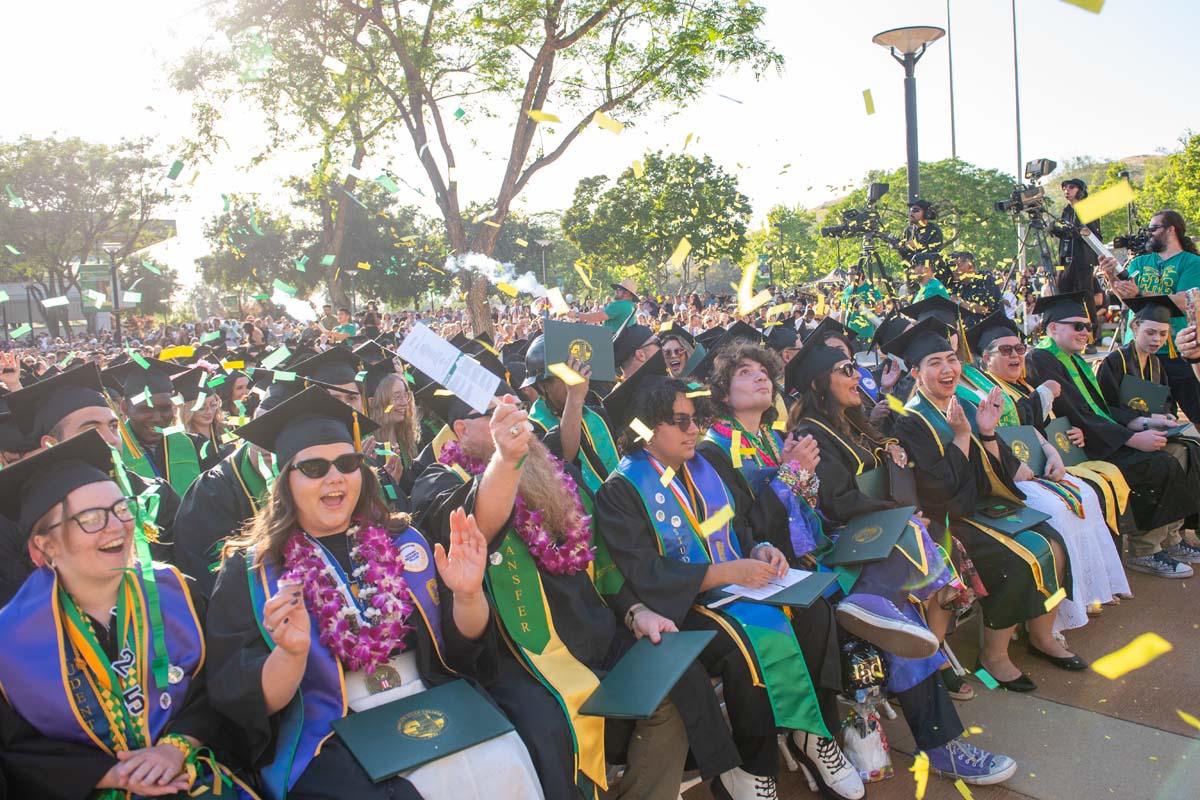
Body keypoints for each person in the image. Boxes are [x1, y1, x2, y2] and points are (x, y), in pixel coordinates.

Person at [205, 387, 542, 799]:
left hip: (428, 693)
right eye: (313, 467)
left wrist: (469, 596)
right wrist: (289, 656)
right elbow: (243, 699)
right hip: (329, 722)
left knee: (503, 760)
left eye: (347, 463)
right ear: (284, 481)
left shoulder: (404, 541)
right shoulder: (253, 571)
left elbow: (461, 651)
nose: (334, 477)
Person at [412, 386, 733, 800]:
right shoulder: (440, 480)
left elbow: (599, 558)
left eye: (517, 407)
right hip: (521, 658)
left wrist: (636, 611)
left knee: (676, 680)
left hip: (594, 629)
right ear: (461, 429)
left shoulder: (550, 469)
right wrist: (505, 461)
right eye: (494, 412)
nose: (514, 416)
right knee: (551, 730)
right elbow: (478, 523)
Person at [596, 372, 863, 800]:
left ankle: (812, 732)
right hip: (681, 605)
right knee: (749, 643)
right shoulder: (622, 489)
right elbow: (643, 572)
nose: (692, 429)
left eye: (693, 418)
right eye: (678, 421)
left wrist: (758, 550)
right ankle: (750, 765)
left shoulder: (702, 466)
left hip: (736, 583)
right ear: (646, 429)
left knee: (812, 612)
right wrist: (727, 574)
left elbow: (737, 527)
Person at [784, 341, 1019, 785]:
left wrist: (896, 478)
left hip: (877, 543)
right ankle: (943, 744)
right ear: (819, 384)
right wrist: (895, 513)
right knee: (910, 582)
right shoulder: (812, 435)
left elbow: (881, 473)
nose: (857, 375)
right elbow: (836, 503)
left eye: (855, 366)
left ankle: (909, 633)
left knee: (904, 612)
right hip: (839, 551)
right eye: (845, 369)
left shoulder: (848, 422)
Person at [0, 431, 254, 799]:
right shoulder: (12, 638)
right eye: (90, 517)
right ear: (44, 545)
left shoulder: (176, 592)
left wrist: (175, 746)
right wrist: (111, 774)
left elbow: (219, 685)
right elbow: (17, 750)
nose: (117, 525)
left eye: (122, 508)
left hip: (191, 775)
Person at [885, 319, 1075, 692]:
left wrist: (985, 432)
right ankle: (993, 657)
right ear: (916, 373)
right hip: (947, 518)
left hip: (980, 506)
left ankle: (1041, 636)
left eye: (951, 359)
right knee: (1014, 560)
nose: (947, 369)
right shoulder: (908, 420)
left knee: (1053, 540)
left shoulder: (965, 405)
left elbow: (999, 470)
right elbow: (937, 490)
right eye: (935, 362)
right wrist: (961, 437)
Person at [960, 312, 1131, 637]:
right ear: (986, 358)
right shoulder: (979, 391)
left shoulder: (1017, 386)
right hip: (1008, 478)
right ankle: (1056, 615)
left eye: (1018, 348)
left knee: (1086, 497)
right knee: (1056, 513)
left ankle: (1086, 594)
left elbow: (1032, 430)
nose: (1015, 355)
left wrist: (1053, 450)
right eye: (1005, 350)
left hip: (1038, 468)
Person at [1025, 292, 1200, 578]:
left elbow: (1100, 409)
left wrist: (1141, 422)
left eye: (1088, 326)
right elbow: (1077, 414)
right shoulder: (1042, 359)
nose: (1085, 332)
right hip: (1077, 447)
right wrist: (1131, 438)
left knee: (1184, 449)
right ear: (1053, 328)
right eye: (1077, 326)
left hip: (1099, 436)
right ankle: (1145, 551)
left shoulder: (1077, 361)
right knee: (1156, 463)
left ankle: (1171, 539)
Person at [1101, 210, 1200, 424]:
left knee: (1197, 413)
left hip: (1178, 351)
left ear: (1171, 230)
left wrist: (1141, 293)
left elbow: (1186, 301)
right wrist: (1111, 275)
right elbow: (1128, 299)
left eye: (1153, 228)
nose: (1148, 233)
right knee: (1148, 418)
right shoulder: (1139, 262)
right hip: (1140, 353)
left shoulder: (1192, 262)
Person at [102, 358, 221, 497]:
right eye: (145, 409)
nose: (157, 418)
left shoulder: (198, 446)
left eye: (164, 408)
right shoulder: (111, 456)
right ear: (125, 408)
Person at [524, 336, 620, 494]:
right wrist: (574, 396)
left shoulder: (598, 415)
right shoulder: (532, 431)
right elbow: (563, 461)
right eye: (567, 375)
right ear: (543, 385)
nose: (579, 381)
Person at [898, 199, 946, 286]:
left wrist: (917, 246)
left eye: (915, 210)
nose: (911, 213)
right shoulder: (908, 231)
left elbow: (935, 253)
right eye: (911, 210)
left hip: (930, 277)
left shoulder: (933, 230)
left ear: (926, 213)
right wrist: (900, 247)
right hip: (912, 276)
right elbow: (905, 256)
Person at [949, 251, 1002, 328]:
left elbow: (985, 309)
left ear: (970, 265)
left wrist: (958, 302)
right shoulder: (959, 286)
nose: (955, 270)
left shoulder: (985, 279)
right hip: (970, 332)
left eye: (958, 265)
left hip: (992, 330)